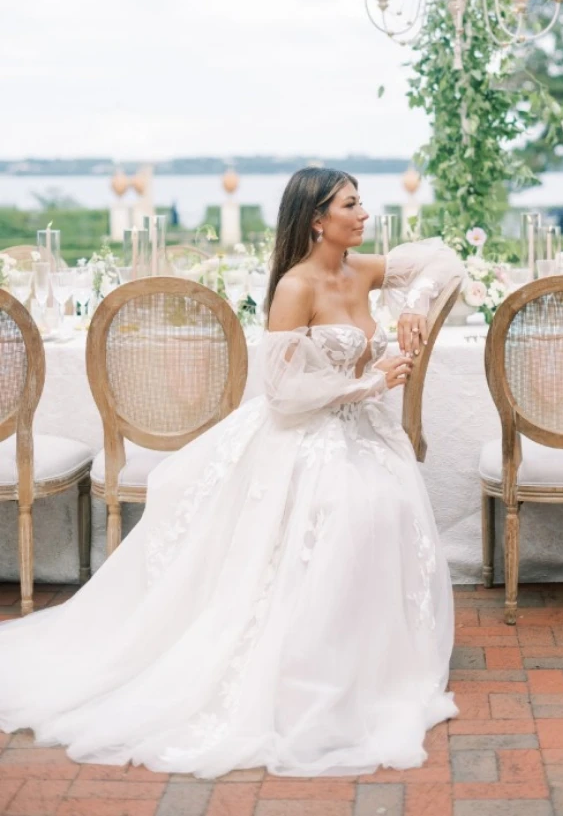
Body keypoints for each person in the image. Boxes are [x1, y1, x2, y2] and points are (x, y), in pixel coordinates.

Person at [0, 168, 463, 779]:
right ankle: (309, 662)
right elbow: (282, 395)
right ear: (318, 220)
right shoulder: (296, 288)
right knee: (346, 506)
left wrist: (415, 307)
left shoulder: (363, 270)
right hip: (306, 435)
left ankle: (370, 655)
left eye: (362, 202)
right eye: (352, 205)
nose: (365, 214)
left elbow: (444, 259)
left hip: (362, 435)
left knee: (382, 500)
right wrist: (374, 380)